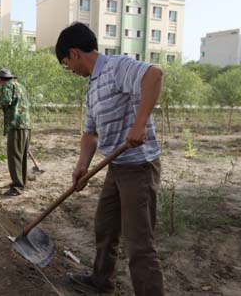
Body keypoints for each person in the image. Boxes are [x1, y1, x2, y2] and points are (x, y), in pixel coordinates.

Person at [55, 22, 164, 296]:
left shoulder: (116, 67)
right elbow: (90, 134)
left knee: (139, 244)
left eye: (67, 63)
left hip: (138, 167)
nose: (69, 70)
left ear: (75, 52)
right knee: (105, 227)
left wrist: (139, 125)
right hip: (116, 167)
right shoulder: (92, 88)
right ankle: (101, 281)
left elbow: (154, 75)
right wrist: (82, 166)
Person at [0, 68, 31, 196]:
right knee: (22, 157)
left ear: (1, 80)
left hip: (15, 125)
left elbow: (5, 101)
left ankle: (17, 187)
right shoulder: (21, 86)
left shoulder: (6, 87)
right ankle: (22, 183)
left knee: (14, 156)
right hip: (26, 125)